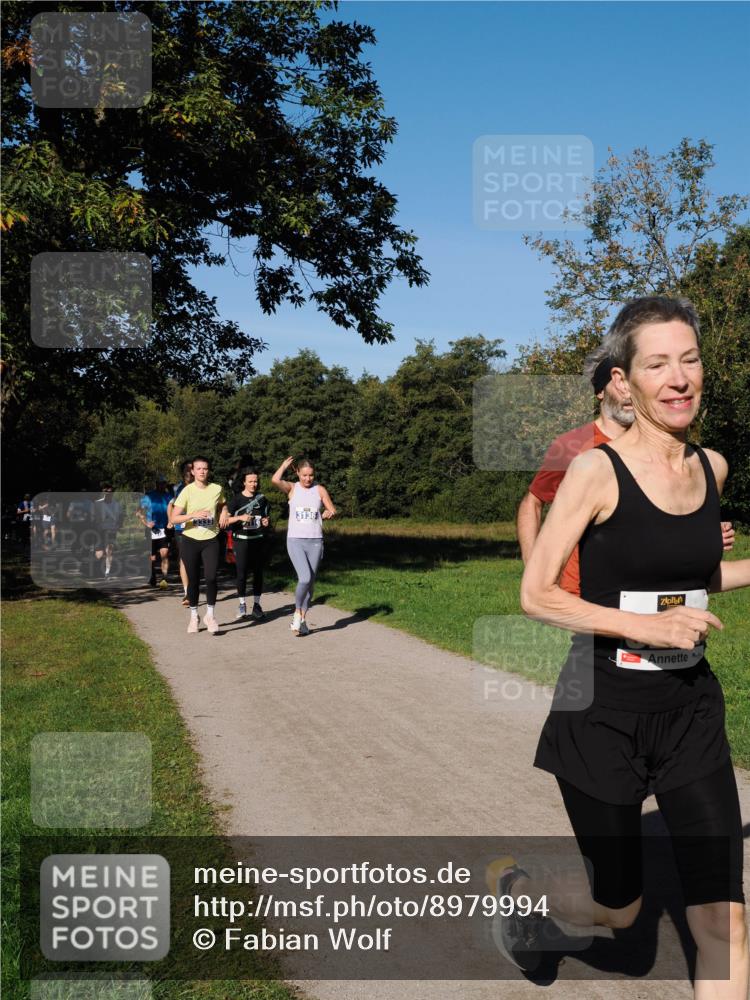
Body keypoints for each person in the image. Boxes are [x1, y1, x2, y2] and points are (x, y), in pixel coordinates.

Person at [497, 296, 748, 998]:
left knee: (725, 922)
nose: (679, 378)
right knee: (620, 909)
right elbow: (536, 594)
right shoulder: (594, 471)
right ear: (625, 381)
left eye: (690, 360)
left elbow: (695, 579)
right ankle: (526, 902)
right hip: (602, 713)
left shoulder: (711, 468)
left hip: (690, 712)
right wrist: (644, 627)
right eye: (658, 364)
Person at [517, 343, 735, 595]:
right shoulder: (571, 446)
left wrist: (702, 533)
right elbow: (532, 503)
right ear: (600, 391)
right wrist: (535, 574)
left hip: (653, 590)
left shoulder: (665, 447)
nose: (629, 393)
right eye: (620, 383)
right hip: (582, 594)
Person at [271, 456, 336, 635]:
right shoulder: (292, 488)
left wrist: (329, 512)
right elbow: (275, 480)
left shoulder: (319, 489)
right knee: (305, 578)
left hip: (315, 541)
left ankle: (303, 621)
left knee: (310, 583)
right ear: (298, 473)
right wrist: (283, 466)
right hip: (296, 541)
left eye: (311, 475)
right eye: (304, 475)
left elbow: (332, 509)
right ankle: (297, 612)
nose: (308, 479)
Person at [170, 457, 227, 634]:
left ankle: (210, 615)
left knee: (211, 578)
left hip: (211, 539)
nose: (202, 471)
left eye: (205, 468)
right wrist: (193, 515)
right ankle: (194, 616)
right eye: (199, 468)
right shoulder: (187, 491)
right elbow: (174, 518)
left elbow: (222, 504)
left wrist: (224, 512)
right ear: (193, 471)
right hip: (190, 540)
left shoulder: (217, 488)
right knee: (193, 580)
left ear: (208, 471)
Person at [219, 467, 271, 620]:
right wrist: (240, 518)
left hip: (258, 539)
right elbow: (225, 521)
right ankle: (242, 604)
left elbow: (265, 517)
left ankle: (257, 605)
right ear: (244, 482)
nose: (254, 484)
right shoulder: (236, 500)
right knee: (241, 574)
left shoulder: (262, 498)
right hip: (241, 540)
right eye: (250, 481)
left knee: (258, 573)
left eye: (256, 481)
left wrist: (266, 521)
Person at [138, 476, 172, 588]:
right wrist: (146, 523)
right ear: (156, 484)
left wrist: (171, 522)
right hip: (151, 530)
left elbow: (174, 510)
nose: (162, 485)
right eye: (160, 483)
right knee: (152, 557)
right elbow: (139, 512)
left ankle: (164, 579)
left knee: (165, 554)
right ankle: (152, 574)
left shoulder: (168, 496)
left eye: (164, 483)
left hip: (164, 529)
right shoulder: (149, 496)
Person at [168, 460, 194, 605]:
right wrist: (170, 520)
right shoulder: (177, 488)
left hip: (198, 527)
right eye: (187, 469)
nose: (189, 472)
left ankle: (193, 587)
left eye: (191, 469)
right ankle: (187, 593)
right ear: (183, 472)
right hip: (181, 527)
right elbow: (170, 505)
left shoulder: (201, 487)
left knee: (195, 559)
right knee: (183, 558)